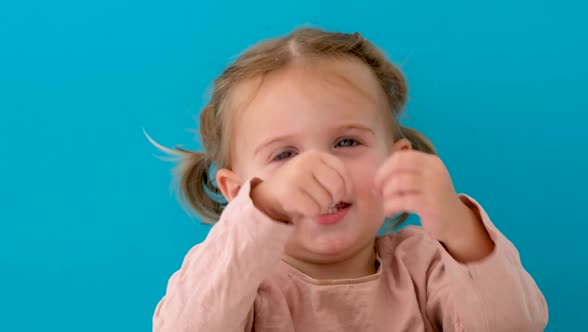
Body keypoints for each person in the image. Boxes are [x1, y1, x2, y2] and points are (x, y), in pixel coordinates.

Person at [149, 28, 548, 331]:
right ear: (240, 195)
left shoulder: (423, 266)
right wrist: (266, 210)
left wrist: (458, 227)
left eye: (346, 141)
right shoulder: (243, 285)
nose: (321, 170)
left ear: (396, 161)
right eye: (284, 155)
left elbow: (515, 324)